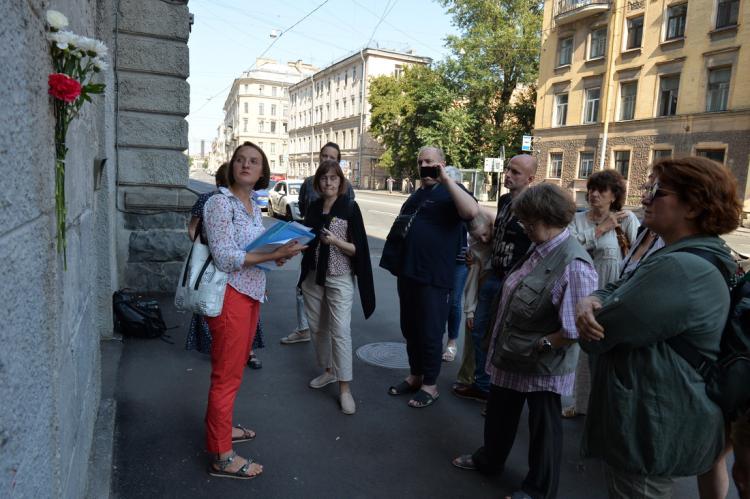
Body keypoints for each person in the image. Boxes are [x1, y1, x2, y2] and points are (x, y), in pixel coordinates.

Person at [575, 156, 742, 498]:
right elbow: (619, 285)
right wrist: (590, 297)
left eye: (657, 191)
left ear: (693, 206)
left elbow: (599, 334)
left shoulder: (680, 267)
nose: (646, 198)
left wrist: (592, 308)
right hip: (654, 417)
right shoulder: (680, 254)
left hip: (650, 426)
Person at [452, 183, 598, 499]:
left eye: (527, 220)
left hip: (540, 365)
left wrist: (540, 346)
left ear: (545, 217)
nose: (523, 225)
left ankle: (538, 490)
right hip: (513, 354)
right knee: (500, 414)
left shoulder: (574, 264)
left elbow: (573, 330)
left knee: (544, 430)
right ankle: (489, 460)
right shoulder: (540, 246)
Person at [202, 141, 304, 479]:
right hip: (229, 295)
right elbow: (226, 257)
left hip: (249, 294)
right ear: (232, 166)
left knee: (234, 371)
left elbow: (253, 251)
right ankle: (221, 455)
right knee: (226, 375)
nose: (246, 165)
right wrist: (269, 256)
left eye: (254, 161)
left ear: (262, 172)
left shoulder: (250, 204)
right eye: (241, 160)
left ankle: (223, 427)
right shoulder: (220, 203)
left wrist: (280, 252)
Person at [381, 146, 479, 408]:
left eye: (430, 162)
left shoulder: (452, 190)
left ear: (442, 164)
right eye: (420, 161)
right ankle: (415, 376)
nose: (424, 165)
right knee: (410, 329)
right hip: (409, 273)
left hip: (435, 277)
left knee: (431, 332)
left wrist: (447, 179)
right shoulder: (419, 194)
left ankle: (430, 385)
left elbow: (471, 212)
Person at [452, 154, 536, 404]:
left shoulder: (533, 206)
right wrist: (476, 255)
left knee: (504, 339)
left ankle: (501, 393)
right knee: (479, 332)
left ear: (530, 178)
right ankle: (483, 385)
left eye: (516, 172)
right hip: (493, 276)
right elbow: (494, 235)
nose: (508, 175)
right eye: (508, 169)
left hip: (514, 282)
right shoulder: (504, 200)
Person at [299, 159, 375, 415]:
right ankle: (329, 372)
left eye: (333, 178)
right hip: (313, 277)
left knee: (340, 331)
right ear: (318, 183)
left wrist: (336, 242)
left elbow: (359, 249)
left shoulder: (350, 208)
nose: (328, 182)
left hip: (339, 277)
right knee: (318, 328)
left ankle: (345, 389)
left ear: (340, 182)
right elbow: (307, 238)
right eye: (323, 178)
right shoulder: (314, 207)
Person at [564, 169, 639, 418]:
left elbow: (638, 256)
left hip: (613, 293)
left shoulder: (626, 220)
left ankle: (607, 408)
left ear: (614, 195)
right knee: (583, 348)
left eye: (601, 190)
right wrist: (600, 229)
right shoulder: (579, 219)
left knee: (609, 348)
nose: (594, 194)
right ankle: (581, 404)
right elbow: (570, 247)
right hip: (582, 290)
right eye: (592, 189)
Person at [185, 162, 264, 369]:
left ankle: (243, 352)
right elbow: (193, 228)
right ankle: (221, 352)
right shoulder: (212, 200)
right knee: (212, 314)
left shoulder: (252, 203)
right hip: (218, 276)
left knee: (240, 335)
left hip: (248, 281)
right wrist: (207, 244)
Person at [280, 142, 354, 345]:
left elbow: (349, 217)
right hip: (311, 248)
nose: (327, 160)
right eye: (324, 156)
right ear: (319, 158)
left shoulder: (345, 188)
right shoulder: (308, 183)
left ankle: (326, 333)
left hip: (334, 256)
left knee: (329, 299)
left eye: (332, 158)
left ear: (338, 163)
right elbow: (305, 212)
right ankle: (303, 328)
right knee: (303, 289)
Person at [455, 209, 495, 387]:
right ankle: (467, 378)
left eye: (486, 234)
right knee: (472, 339)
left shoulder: (500, 242)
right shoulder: (475, 251)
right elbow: (471, 284)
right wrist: (470, 311)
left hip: (495, 300)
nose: (484, 240)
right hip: (478, 300)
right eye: (478, 237)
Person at [442, 166, 470, 363]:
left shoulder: (467, 203)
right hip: (439, 260)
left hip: (459, 263)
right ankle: (434, 338)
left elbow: (478, 231)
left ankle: (452, 341)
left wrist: (473, 251)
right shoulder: (439, 202)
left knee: (453, 302)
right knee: (436, 301)